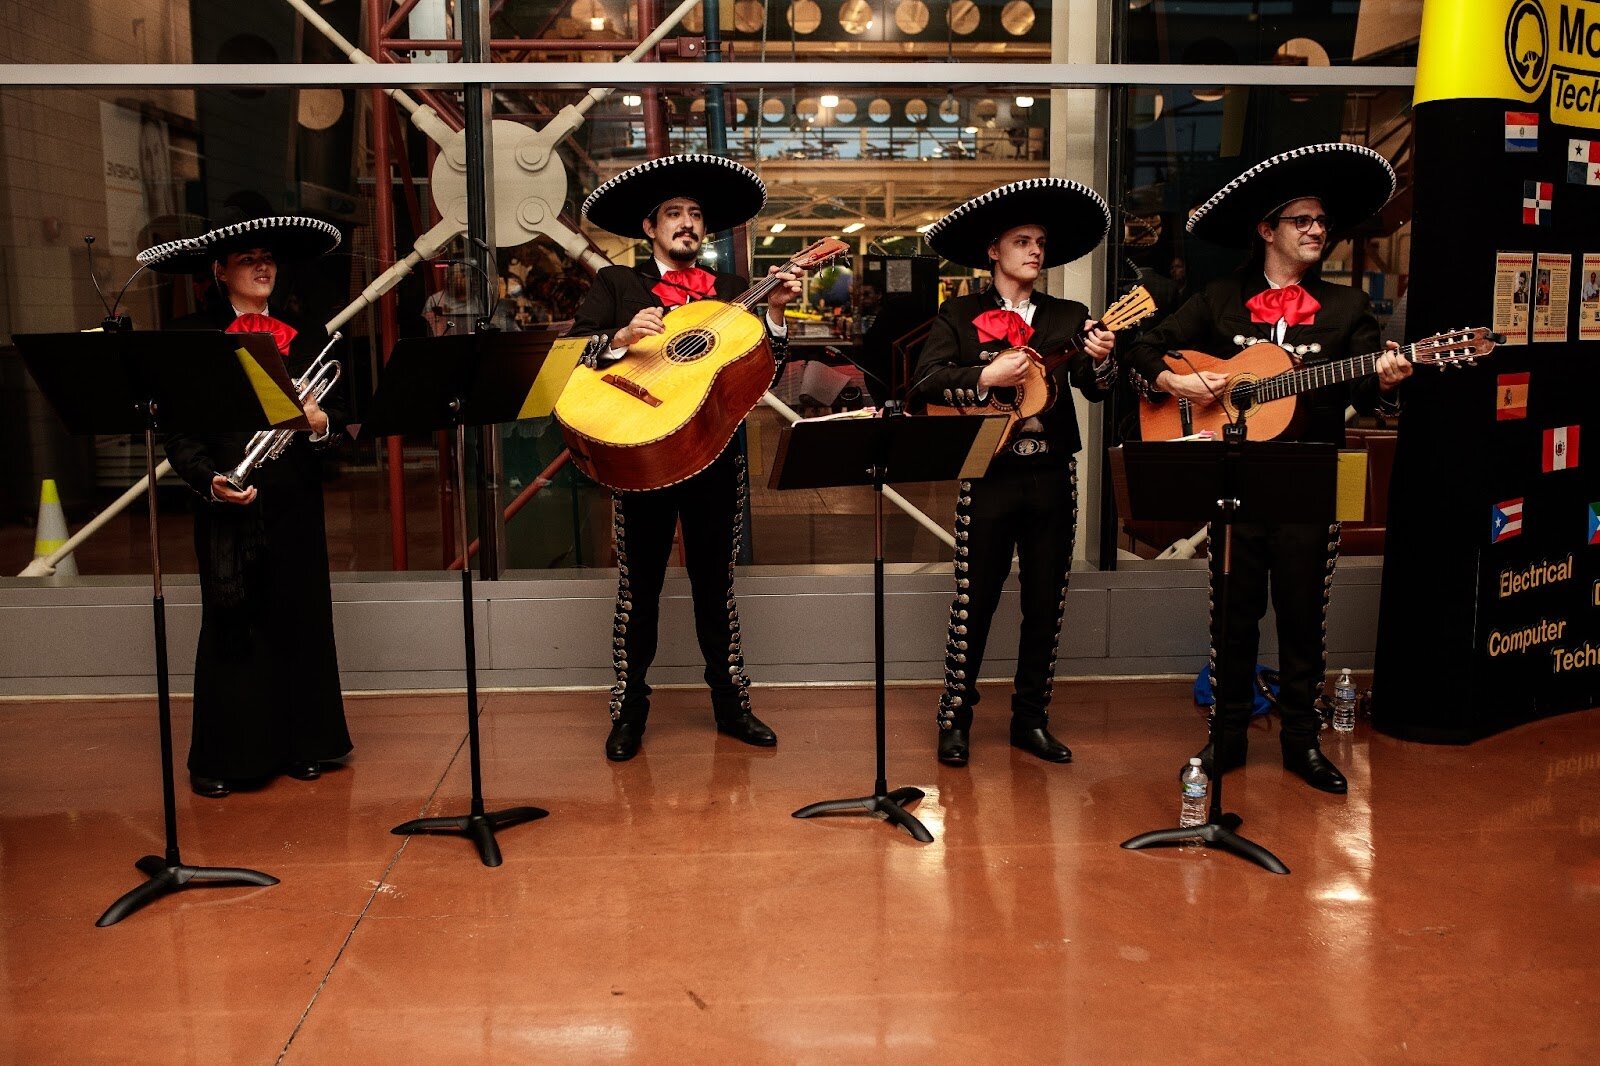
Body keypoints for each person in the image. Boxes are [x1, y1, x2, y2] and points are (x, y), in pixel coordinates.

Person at [1124, 143, 1412, 794]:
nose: (1316, 230)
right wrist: (1178, 381)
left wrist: (1388, 380)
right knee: (1233, 611)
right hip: (1235, 478)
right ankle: (1226, 736)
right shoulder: (1221, 297)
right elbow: (1145, 347)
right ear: (1267, 230)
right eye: (1301, 220)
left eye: (1322, 222)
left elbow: (1367, 393)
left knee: (1305, 615)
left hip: (1311, 478)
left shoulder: (1346, 309)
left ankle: (1302, 742)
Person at [568, 154, 804, 762]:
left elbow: (765, 367)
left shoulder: (732, 292)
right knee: (639, 589)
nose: (687, 223)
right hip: (643, 453)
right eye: (673, 212)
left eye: (696, 214)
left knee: (715, 585)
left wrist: (776, 312)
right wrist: (619, 338)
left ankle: (731, 706)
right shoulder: (616, 285)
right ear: (650, 227)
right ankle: (629, 712)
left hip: (714, 454)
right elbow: (569, 353)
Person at [138, 199, 353, 798]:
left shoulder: (310, 335)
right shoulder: (193, 337)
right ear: (219, 270)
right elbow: (179, 433)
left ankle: (302, 744)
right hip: (230, 496)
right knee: (233, 624)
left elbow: (341, 423)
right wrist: (207, 478)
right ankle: (227, 757)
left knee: (298, 617)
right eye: (246, 259)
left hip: (294, 501)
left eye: (268, 259)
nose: (262, 267)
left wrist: (320, 423)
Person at [909, 178, 1117, 766]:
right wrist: (984, 376)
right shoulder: (959, 313)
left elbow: (1097, 390)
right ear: (993, 251)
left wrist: (1103, 360)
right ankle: (955, 718)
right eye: (1022, 241)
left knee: (1046, 602)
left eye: (1040, 243)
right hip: (987, 473)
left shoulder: (1069, 316)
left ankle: (1030, 720)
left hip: (1052, 472)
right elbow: (924, 383)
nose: (1035, 251)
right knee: (973, 601)